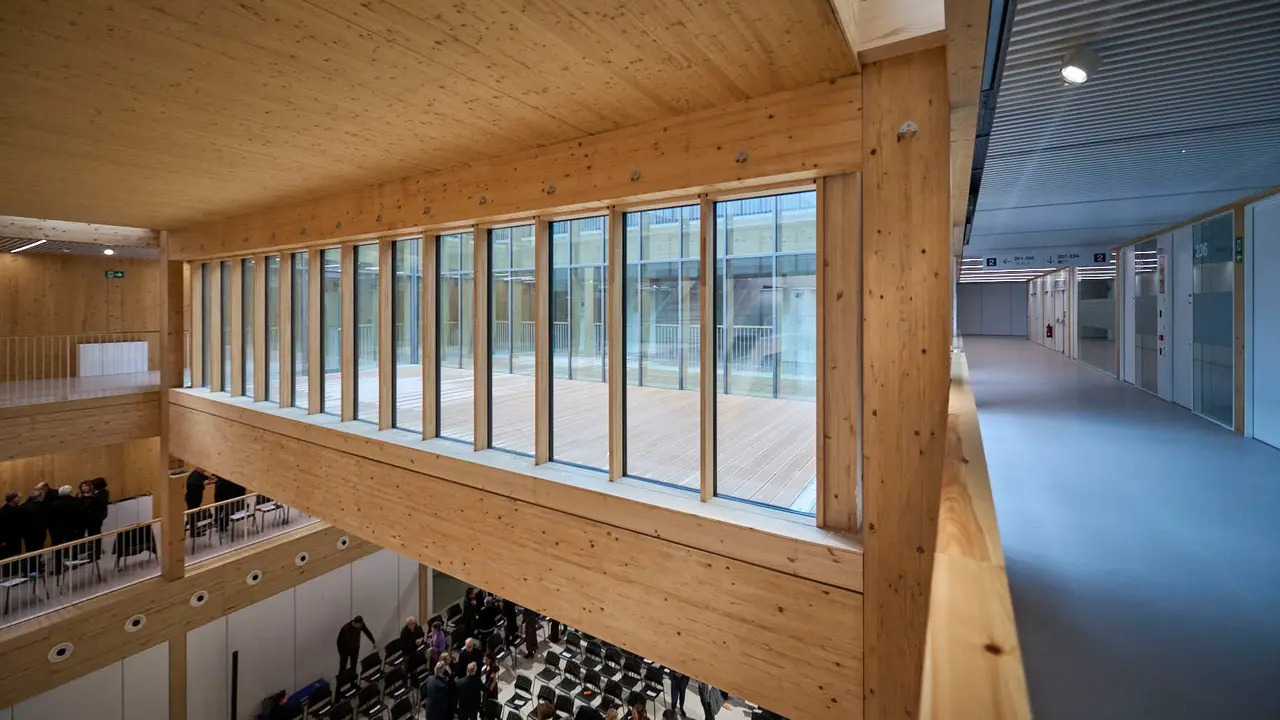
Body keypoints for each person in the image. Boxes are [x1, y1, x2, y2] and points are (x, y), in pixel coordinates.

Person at [84, 478, 109, 560]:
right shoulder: (101, 493)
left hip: (96, 517)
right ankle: (95, 552)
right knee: (93, 535)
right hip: (96, 517)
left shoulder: (101, 494)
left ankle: (96, 553)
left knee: (95, 535)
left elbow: (96, 500)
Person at [184, 468, 213, 537]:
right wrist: (203, 484)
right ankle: (193, 532)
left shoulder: (199, 474)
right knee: (193, 514)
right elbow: (191, 485)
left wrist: (211, 479)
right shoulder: (194, 475)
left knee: (194, 513)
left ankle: (194, 529)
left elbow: (205, 478)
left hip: (196, 497)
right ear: (199, 468)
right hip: (192, 498)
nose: (204, 470)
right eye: (203, 469)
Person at [20, 490, 47, 556]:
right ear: (38, 497)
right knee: (37, 551)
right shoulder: (39, 507)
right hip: (37, 533)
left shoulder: (23, 505)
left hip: (27, 533)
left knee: (29, 550)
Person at [0, 492, 23, 564]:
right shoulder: (3, 511)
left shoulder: (19, 509)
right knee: (7, 557)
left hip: (16, 536)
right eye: (18, 497)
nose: (20, 499)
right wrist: (1, 540)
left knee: (16, 555)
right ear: (12, 499)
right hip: (7, 539)